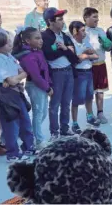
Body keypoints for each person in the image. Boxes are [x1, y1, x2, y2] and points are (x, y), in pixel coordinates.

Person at [0, 32, 35, 162]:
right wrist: (15, 78)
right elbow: (12, 80)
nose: (10, 44)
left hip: (17, 92)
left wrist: (16, 77)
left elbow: (24, 72)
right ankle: (12, 153)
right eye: (7, 43)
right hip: (6, 94)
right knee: (11, 125)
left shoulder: (10, 56)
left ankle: (28, 147)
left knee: (25, 120)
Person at [42, 7, 79, 140]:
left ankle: (65, 127)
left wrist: (65, 49)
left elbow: (74, 57)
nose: (63, 22)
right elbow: (49, 55)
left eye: (62, 19)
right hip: (56, 74)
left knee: (66, 102)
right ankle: (54, 131)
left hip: (69, 71)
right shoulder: (44, 36)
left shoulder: (64, 36)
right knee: (55, 103)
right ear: (50, 22)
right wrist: (65, 50)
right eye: (59, 19)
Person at [12, 27, 52, 149]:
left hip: (42, 85)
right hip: (35, 86)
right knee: (38, 113)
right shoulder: (28, 56)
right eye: (37, 38)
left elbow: (44, 70)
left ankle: (36, 135)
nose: (41, 40)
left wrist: (48, 84)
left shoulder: (37, 51)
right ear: (28, 41)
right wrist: (47, 88)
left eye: (40, 38)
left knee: (42, 113)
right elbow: (35, 76)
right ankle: (39, 140)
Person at [69, 21, 101, 132]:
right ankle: (74, 122)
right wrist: (85, 54)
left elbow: (96, 55)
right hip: (79, 74)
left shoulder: (86, 41)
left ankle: (90, 116)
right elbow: (75, 60)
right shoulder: (71, 44)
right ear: (75, 31)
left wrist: (85, 55)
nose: (85, 33)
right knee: (77, 99)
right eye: (82, 31)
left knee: (89, 96)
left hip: (88, 72)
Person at [83, 7, 112, 124]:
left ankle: (100, 112)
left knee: (100, 90)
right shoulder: (83, 31)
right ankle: (89, 114)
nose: (97, 19)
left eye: (97, 17)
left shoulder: (100, 30)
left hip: (101, 64)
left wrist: (107, 44)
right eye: (94, 17)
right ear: (86, 18)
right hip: (89, 66)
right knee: (89, 91)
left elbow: (108, 47)